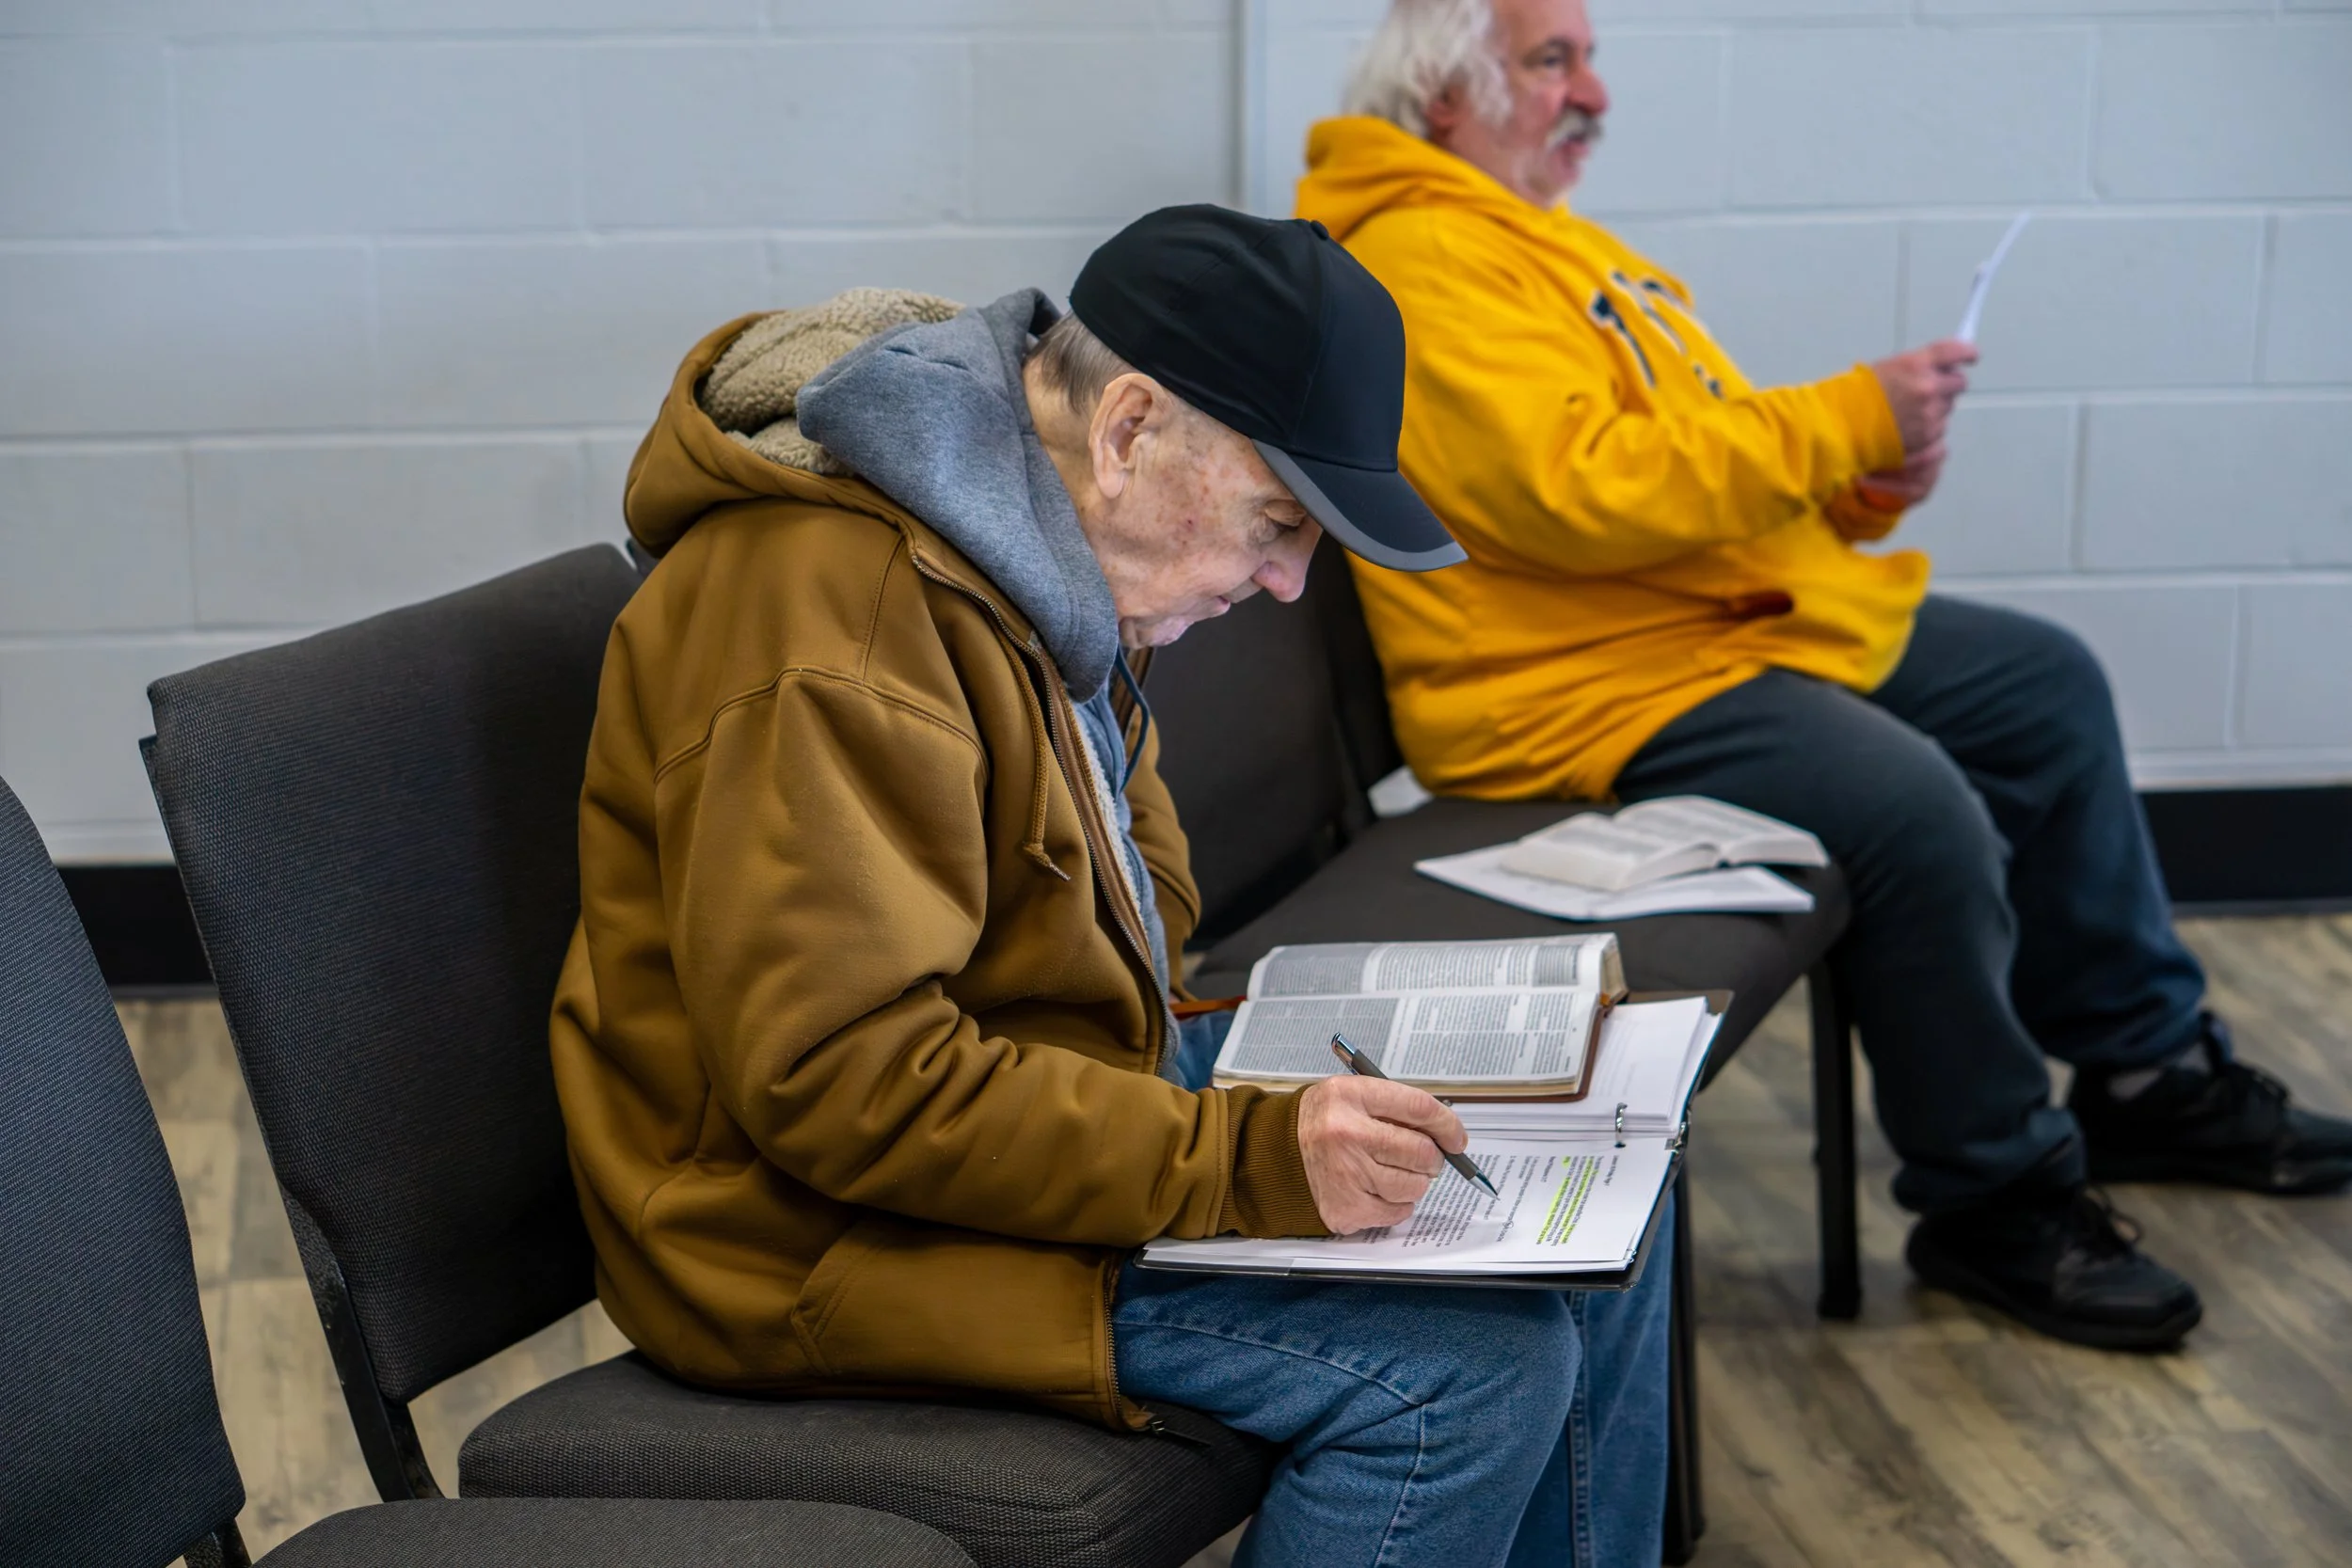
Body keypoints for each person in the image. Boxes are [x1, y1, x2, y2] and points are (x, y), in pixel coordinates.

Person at [548, 205, 1672, 1567]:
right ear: (1130, 427)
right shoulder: (830, 622)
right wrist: (1249, 1157)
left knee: (1603, 1201)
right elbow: (843, 1084)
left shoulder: (1031, 562)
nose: (1286, 578)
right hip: (819, 1237)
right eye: (1277, 520)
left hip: (1012, 1138)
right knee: (1464, 1376)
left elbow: (1116, 943)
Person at [1295, 0, 2352, 1354]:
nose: (1594, 93)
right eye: (1551, 60)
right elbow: (1581, 493)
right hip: (1583, 690)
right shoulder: (1424, 257)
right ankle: (1994, 1193)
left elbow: (1680, 454)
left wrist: (1853, 485)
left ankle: (2143, 1069)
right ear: (1442, 98)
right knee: (1916, 811)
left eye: (1591, 57)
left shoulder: (1528, 239)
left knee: (2041, 684)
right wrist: (1851, 411)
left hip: (1705, 631)